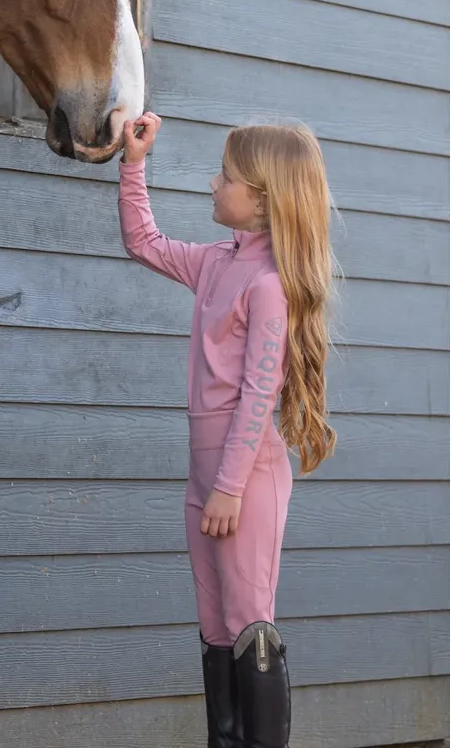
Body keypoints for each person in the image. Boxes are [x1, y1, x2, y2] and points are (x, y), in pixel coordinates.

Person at [118, 113, 337, 748]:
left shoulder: (269, 286)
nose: (214, 185)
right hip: (206, 479)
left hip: (243, 481)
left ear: (261, 200)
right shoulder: (218, 263)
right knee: (215, 627)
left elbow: (256, 396)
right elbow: (144, 242)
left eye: (227, 177)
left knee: (248, 625)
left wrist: (230, 487)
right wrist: (133, 164)